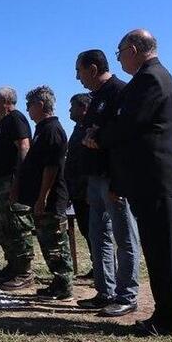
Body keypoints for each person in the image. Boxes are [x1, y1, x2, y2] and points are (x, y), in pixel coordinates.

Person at [88, 29, 172, 335]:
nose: (118, 60)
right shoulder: (149, 77)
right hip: (150, 180)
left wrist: (97, 139)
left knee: (161, 252)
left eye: (119, 53)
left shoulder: (151, 79)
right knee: (159, 251)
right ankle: (169, 315)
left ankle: (170, 320)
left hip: (155, 179)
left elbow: (129, 125)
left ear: (132, 49)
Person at [75, 49, 141, 317]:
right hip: (95, 179)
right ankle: (105, 292)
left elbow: (125, 139)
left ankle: (127, 295)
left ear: (92, 69)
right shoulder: (96, 97)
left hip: (114, 179)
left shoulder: (119, 92)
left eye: (79, 71)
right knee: (98, 236)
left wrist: (119, 181)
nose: (78, 78)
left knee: (125, 238)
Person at [14, 86, 75, 300]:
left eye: (30, 106)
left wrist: (43, 197)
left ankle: (65, 285)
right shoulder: (41, 129)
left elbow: (52, 167)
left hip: (51, 198)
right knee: (47, 243)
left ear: (40, 105)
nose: (28, 110)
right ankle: (57, 284)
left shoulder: (52, 130)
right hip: (40, 197)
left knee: (56, 243)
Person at [0, 87, 34, 291]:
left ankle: (25, 272)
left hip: (12, 180)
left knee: (17, 226)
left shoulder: (16, 118)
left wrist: (20, 181)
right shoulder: (0, 125)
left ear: (5, 101)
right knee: (3, 227)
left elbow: (24, 147)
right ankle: (13, 266)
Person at [65, 93, 93, 279]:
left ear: (83, 108)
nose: (69, 110)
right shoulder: (78, 128)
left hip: (88, 190)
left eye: (72, 106)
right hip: (77, 190)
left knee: (95, 232)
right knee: (86, 230)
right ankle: (96, 265)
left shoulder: (90, 128)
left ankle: (106, 269)